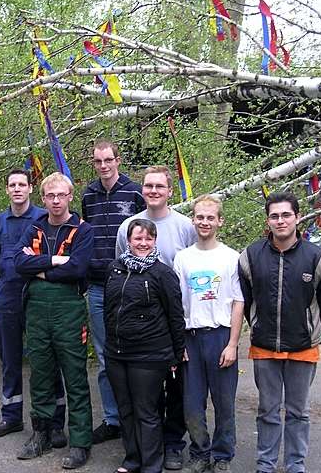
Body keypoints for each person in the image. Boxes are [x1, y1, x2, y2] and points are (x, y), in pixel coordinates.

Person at [238, 191, 321, 473]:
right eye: (274, 216)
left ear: (297, 217)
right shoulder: (251, 256)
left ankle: (296, 465)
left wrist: (308, 327)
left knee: (298, 412)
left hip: (303, 347)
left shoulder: (316, 258)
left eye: (285, 215)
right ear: (267, 220)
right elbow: (246, 300)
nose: (280, 221)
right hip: (264, 346)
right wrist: (258, 324)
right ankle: (266, 464)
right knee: (267, 411)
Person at [116, 165, 197, 470]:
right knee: (147, 392)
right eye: (148, 185)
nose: (153, 191)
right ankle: (145, 444)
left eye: (159, 186)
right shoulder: (129, 226)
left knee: (176, 386)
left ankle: (173, 442)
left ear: (169, 191)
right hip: (140, 326)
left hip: (175, 318)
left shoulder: (184, 226)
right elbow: (120, 269)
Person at [14, 172, 94, 469]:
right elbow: (18, 263)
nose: (56, 201)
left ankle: (80, 442)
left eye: (61, 195)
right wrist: (55, 261)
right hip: (36, 311)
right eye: (50, 196)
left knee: (75, 377)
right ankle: (41, 434)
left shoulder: (83, 230)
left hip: (68, 312)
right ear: (43, 198)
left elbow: (77, 269)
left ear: (70, 196)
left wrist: (41, 269)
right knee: (40, 375)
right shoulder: (35, 227)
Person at [0, 169, 67, 445]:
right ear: (7, 190)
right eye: (12, 185)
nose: (17, 189)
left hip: (38, 297)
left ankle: (54, 423)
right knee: (10, 359)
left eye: (22, 184)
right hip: (8, 298)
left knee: (46, 360)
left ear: (31, 189)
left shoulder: (43, 220)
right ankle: (11, 416)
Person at [105, 218, 186, 473]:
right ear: (128, 240)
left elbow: (175, 315)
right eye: (137, 238)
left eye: (147, 238)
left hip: (150, 353)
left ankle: (152, 465)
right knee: (125, 409)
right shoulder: (115, 269)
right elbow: (108, 308)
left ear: (154, 241)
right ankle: (132, 460)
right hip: (117, 352)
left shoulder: (163, 273)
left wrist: (176, 352)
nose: (142, 243)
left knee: (146, 410)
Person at [173, 195, 244, 473]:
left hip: (221, 336)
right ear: (193, 219)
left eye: (210, 217)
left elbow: (239, 301)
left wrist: (233, 343)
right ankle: (200, 452)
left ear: (219, 221)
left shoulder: (231, 258)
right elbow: (176, 303)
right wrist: (179, 342)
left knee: (224, 403)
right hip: (191, 337)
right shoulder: (183, 258)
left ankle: (223, 454)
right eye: (200, 217)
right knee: (192, 404)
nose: (204, 222)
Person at [81, 138, 145, 444]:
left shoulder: (134, 192)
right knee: (106, 357)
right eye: (98, 161)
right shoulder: (88, 196)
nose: (104, 166)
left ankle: (139, 417)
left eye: (108, 160)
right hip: (97, 287)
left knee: (135, 353)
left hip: (130, 285)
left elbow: (146, 236)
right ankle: (112, 419)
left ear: (118, 160)